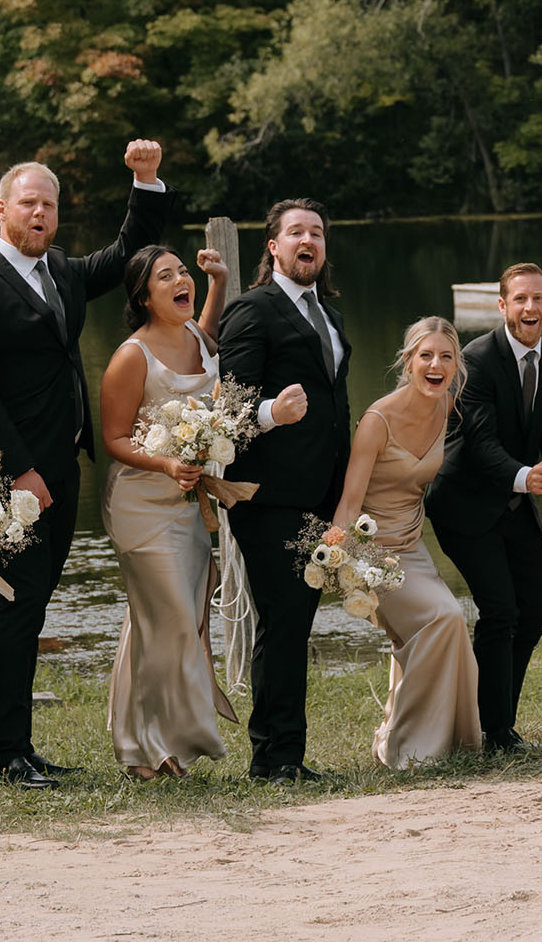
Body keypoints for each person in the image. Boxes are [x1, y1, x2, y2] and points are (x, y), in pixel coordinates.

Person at [0, 140, 170, 787]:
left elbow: (128, 258)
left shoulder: (62, 272)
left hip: (62, 471)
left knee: (34, 608)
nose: (40, 214)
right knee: (16, 607)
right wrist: (21, 471)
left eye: (50, 205)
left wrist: (144, 184)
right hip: (9, 477)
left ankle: (19, 746)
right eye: (29, 203)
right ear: (3, 208)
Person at [427, 264, 542, 751]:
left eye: (538, 299)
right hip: (463, 504)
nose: (530, 308)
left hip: (514, 504)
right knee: (500, 610)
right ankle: (495, 732)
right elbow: (479, 440)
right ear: (502, 306)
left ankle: (493, 717)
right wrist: (524, 476)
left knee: (534, 611)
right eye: (520, 299)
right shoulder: (475, 359)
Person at [97, 243, 237, 778]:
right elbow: (113, 438)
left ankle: (148, 747)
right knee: (172, 618)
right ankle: (154, 744)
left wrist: (219, 283)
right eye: (167, 276)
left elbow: (206, 329)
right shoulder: (132, 356)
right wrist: (163, 463)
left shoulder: (198, 337)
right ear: (143, 294)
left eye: (184, 272)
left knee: (159, 621)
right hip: (141, 503)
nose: (182, 280)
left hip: (188, 505)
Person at [216, 199, 342, 781]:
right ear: (274, 247)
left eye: (315, 232)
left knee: (296, 620)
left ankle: (281, 753)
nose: (307, 240)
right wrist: (271, 412)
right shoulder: (251, 311)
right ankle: (275, 757)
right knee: (285, 619)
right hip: (267, 497)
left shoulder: (330, 314)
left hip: (321, 494)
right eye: (296, 232)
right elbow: (229, 409)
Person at [326, 317, 483, 767]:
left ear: (456, 367)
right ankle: (409, 748)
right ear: (408, 361)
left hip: (413, 547)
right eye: (426, 355)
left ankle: (425, 739)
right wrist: (335, 558)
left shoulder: (449, 408)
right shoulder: (378, 420)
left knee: (437, 629)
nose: (436, 365)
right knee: (445, 617)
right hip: (373, 555)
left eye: (446, 357)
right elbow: (350, 501)